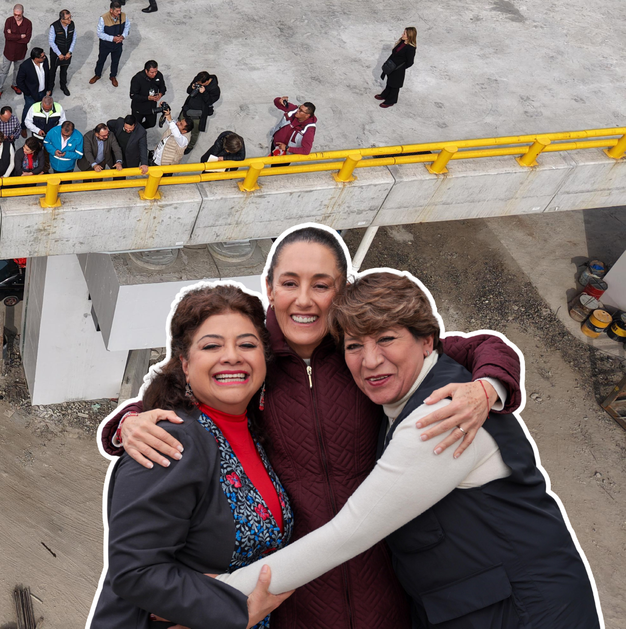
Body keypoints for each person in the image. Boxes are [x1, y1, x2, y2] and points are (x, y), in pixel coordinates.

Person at [100, 224, 523, 629]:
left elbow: (477, 345)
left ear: (342, 291)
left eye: (321, 285)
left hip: (386, 583)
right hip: (296, 596)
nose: (304, 300)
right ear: (270, 288)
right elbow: (191, 386)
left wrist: (486, 387)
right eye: (289, 283)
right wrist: (129, 421)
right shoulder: (253, 353)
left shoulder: (363, 352)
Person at [220, 272, 601, 629]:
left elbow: (346, 534)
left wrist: (216, 594)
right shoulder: (419, 385)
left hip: (525, 612)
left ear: (425, 341)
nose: (370, 361)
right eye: (354, 346)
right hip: (479, 605)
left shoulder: (442, 414)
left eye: (386, 339)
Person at [89, 284, 291, 628]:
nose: (232, 356)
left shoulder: (255, 431)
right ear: (184, 364)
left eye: (247, 344)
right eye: (212, 345)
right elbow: (136, 572)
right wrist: (238, 611)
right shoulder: (169, 440)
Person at [0, 5, 32, 100]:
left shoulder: (28, 23)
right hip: (9, 52)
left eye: (18, 15)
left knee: (17, 71)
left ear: (22, 13)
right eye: (15, 14)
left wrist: (13, 36)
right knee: (4, 71)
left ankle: (15, 84)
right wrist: (20, 36)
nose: (16, 16)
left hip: (20, 53)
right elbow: (7, 37)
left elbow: (27, 40)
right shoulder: (9, 21)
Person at [91, 1, 130, 87]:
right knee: (101, 60)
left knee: (115, 61)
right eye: (117, 11)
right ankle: (97, 74)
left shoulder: (123, 16)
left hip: (118, 44)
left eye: (120, 10)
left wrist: (122, 36)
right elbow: (99, 33)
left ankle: (113, 76)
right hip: (106, 45)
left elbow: (127, 26)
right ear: (111, 10)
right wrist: (113, 38)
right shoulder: (103, 18)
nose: (119, 13)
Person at [378, 27, 417, 108]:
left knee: (395, 85)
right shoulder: (402, 42)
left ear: (409, 35)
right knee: (390, 81)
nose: (402, 34)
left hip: (398, 69)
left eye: (404, 33)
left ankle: (391, 100)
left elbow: (410, 62)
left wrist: (401, 68)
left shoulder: (411, 48)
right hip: (392, 66)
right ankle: (385, 94)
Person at [129, 59, 167, 129]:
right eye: (152, 72)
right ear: (146, 70)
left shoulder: (159, 75)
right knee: (135, 125)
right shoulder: (137, 79)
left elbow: (163, 87)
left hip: (151, 107)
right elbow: (133, 95)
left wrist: (160, 94)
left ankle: (140, 130)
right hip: (139, 108)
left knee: (151, 123)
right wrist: (147, 98)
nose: (154, 74)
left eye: (156, 71)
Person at [46, 9, 76, 96]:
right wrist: (59, 54)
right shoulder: (54, 26)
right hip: (56, 53)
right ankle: (50, 87)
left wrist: (70, 52)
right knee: (53, 71)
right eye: (67, 18)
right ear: (62, 19)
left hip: (67, 52)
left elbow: (74, 38)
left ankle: (63, 86)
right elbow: (51, 42)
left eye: (70, 17)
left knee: (64, 71)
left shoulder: (72, 25)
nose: (70, 20)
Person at [15, 48, 49, 122]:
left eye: (44, 55)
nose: (45, 57)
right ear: (36, 58)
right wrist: (28, 93)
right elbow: (19, 81)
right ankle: (23, 126)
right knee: (28, 110)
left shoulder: (45, 61)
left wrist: (49, 88)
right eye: (42, 57)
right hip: (31, 94)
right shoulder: (25, 66)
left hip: (43, 92)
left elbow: (48, 75)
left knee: (41, 109)